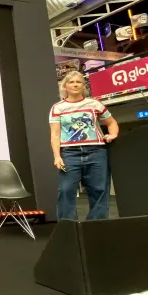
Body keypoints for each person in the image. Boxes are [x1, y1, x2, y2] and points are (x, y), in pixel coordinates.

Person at [50, 71, 118, 221]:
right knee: (66, 190)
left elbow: (111, 122)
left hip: (96, 151)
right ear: (65, 86)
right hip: (69, 153)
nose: (75, 84)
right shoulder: (57, 108)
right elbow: (55, 134)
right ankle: (69, 228)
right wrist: (57, 156)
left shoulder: (95, 104)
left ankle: (94, 226)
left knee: (99, 190)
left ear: (83, 85)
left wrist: (112, 134)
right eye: (71, 82)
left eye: (78, 82)